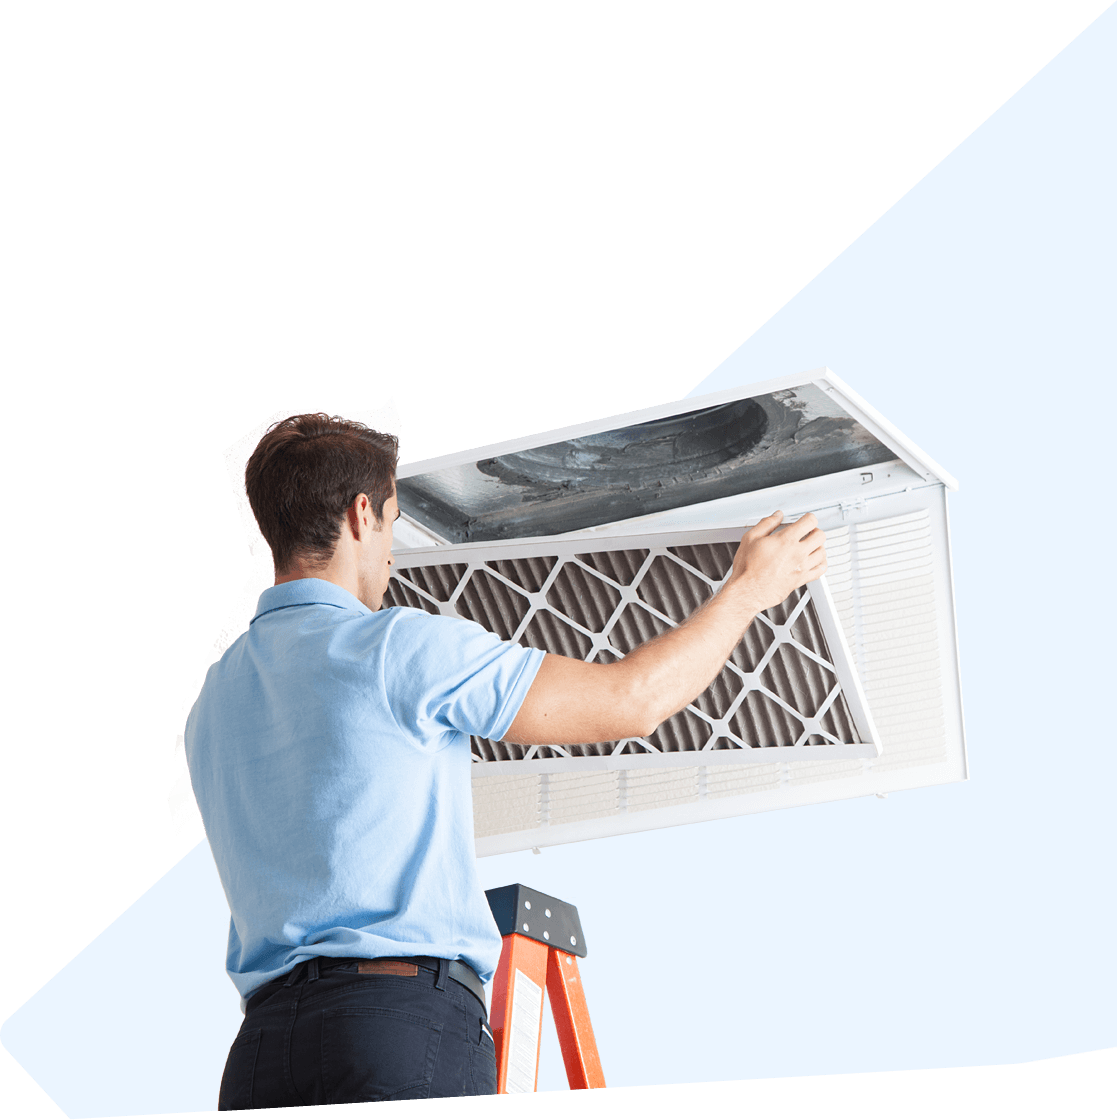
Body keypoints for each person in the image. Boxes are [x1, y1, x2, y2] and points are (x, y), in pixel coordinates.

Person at [186, 410, 827, 1107]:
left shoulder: (214, 699)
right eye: (395, 525)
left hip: (260, 1056)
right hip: (393, 1028)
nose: (393, 555)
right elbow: (631, 700)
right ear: (361, 514)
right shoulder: (401, 647)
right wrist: (747, 593)